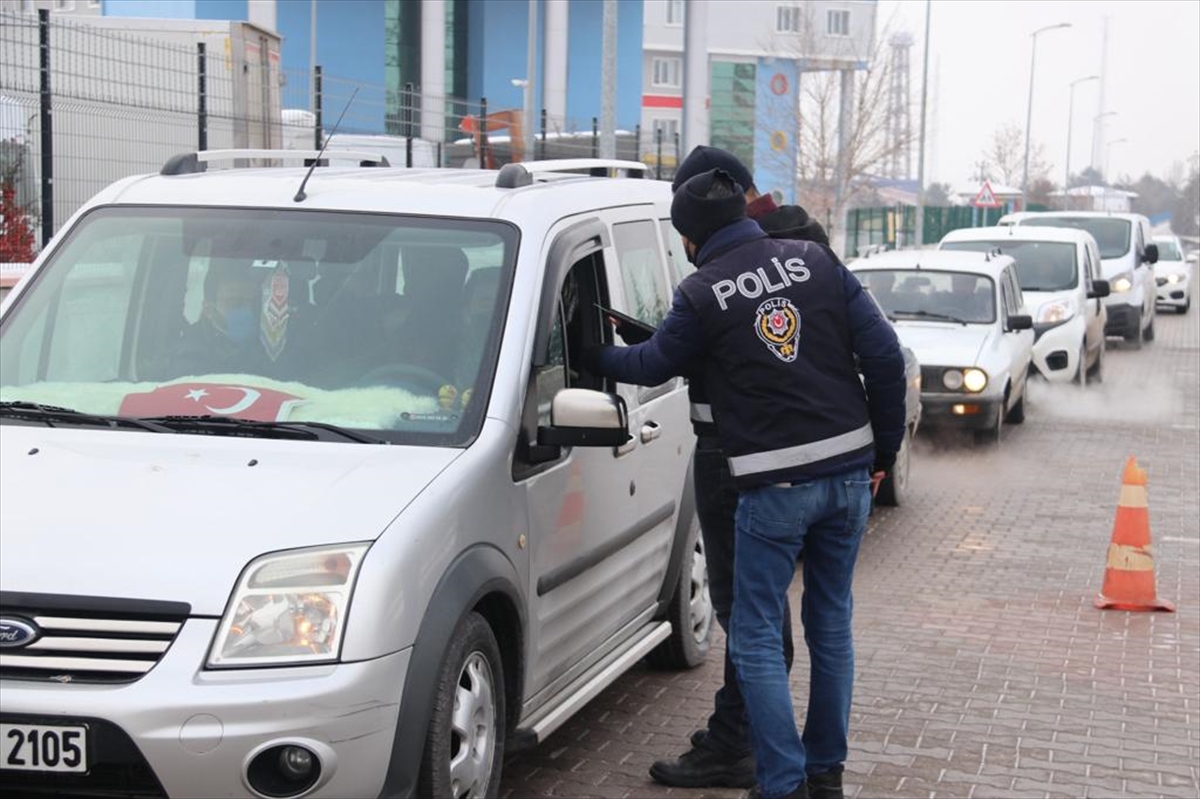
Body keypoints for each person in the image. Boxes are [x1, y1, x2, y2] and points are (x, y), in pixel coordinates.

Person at [582, 169, 906, 799]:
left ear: (690, 238)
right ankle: (825, 777)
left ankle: (781, 783)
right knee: (831, 623)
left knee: (755, 631)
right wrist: (882, 453)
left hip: (773, 487)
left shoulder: (702, 292)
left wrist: (594, 352)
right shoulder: (816, 259)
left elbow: (654, 365)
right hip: (846, 475)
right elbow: (885, 358)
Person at [638, 145, 830, 793]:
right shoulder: (795, 243)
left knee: (752, 617)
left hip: (743, 455)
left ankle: (762, 755)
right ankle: (740, 739)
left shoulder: (774, 249)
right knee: (757, 610)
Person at [174, 263, 270, 376]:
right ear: (209, 310)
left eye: (253, 302)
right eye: (236, 303)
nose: (247, 310)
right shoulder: (190, 354)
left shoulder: (273, 343)